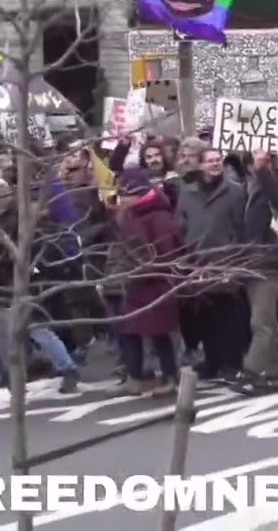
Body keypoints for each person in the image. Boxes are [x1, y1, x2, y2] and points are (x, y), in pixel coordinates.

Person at [174, 147, 249, 381]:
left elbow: (241, 227)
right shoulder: (188, 193)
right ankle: (212, 360)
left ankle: (232, 362)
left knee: (229, 317)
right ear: (200, 165)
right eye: (210, 161)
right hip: (197, 263)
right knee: (205, 316)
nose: (215, 164)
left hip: (226, 262)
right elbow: (180, 224)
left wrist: (237, 258)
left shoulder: (236, 192)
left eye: (218, 160)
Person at [232, 149, 278, 393]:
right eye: (252, 161)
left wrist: (265, 172)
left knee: (260, 322)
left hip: (270, 263)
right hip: (249, 263)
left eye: (262, 160)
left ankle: (251, 371)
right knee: (269, 322)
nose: (256, 164)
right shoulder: (246, 187)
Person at [112, 168, 182, 397]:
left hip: (156, 282)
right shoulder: (132, 214)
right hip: (138, 282)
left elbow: (165, 253)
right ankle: (136, 377)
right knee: (129, 329)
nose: (121, 198)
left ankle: (170, 377)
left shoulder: (158, 217)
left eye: (125, 193)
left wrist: (147, 270)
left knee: (159, 334)